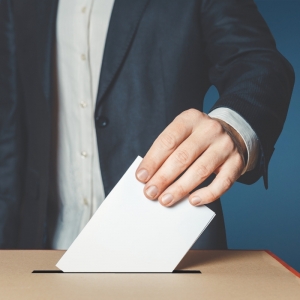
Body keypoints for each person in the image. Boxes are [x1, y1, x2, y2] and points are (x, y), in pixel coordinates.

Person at [0, 0, 294, 249]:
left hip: (170, 247)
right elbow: (10, 132)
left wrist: (234, 125)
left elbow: (258, 62)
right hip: (43, 249)